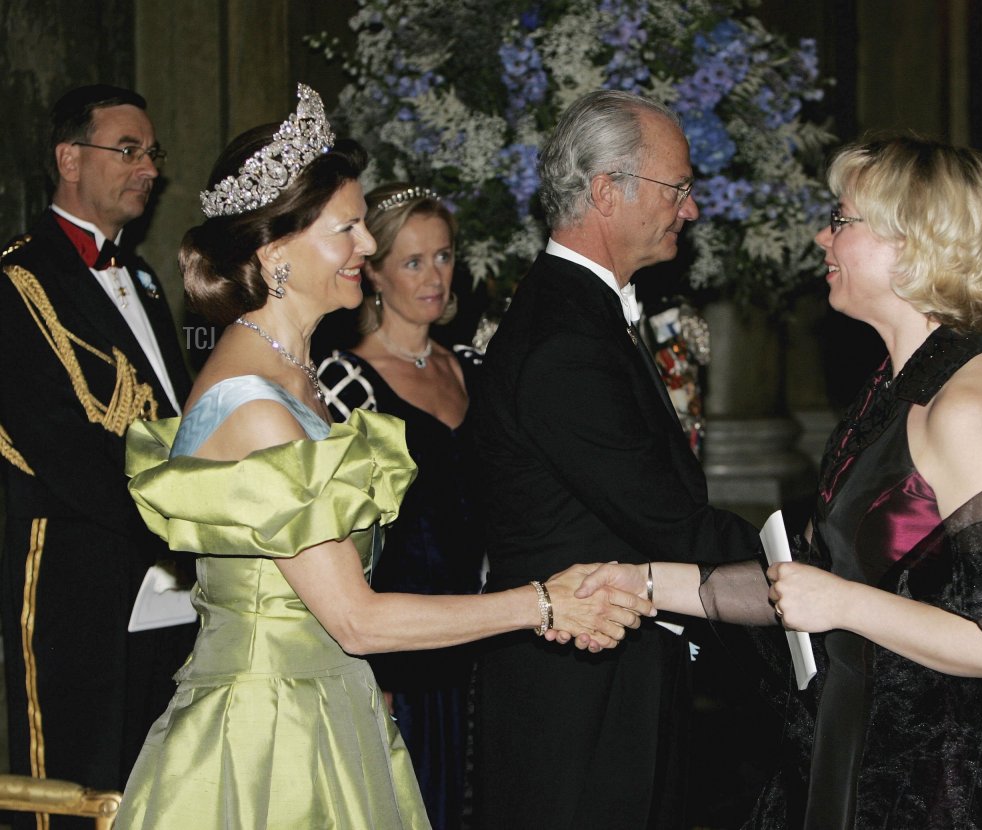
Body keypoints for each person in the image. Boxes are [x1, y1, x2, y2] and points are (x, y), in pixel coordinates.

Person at [111, 84, 651, 830]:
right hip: (271, 742)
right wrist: (544, 603)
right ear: (275, 254)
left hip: (324, 705)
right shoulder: (254, 406)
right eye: (348, 229)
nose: (368, 247)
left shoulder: (292, 375)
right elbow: (356, 620)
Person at [579, 135, 982, 828]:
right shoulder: (900, 384)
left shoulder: (967, 405)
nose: (824, 236)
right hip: (869, 738)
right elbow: (811, 578)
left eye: (843, 220)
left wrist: (841, 602)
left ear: (915, 243)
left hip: (940, 778)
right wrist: (639, 582)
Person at [472, 88, 762, 830]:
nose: (691, 210)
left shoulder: (578, 314)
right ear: (606, 192)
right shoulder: (565, 341)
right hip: (579, 699)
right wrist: (808, 565)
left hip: (609, 675)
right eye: (677, 188)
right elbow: (669, 520)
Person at [0, 84, 195, 803]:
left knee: (157, 774)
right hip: (74, 564)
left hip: (163, 570)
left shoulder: (141, 276)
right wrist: (175, 521)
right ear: (69, 159)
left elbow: (174, 411)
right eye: (129, 150)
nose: (149, 168)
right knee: (74, 777)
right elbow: (56, 443)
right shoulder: (18, 278)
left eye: (152, 152)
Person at [316, 183, 483, 830]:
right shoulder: (344, 381)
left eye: (443, 256)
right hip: (399, 651)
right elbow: (340, 535)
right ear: (375, 273)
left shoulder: (472, 367)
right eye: (413, 262)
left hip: (480, 643)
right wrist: (370, 671)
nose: (434, 277)